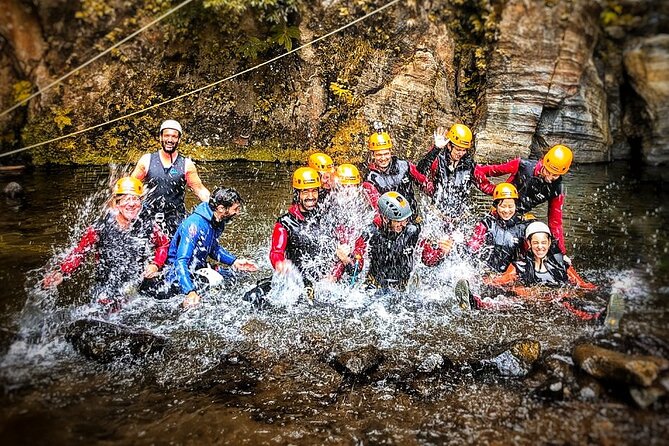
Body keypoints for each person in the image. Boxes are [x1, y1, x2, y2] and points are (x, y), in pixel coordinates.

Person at [457, 221, 623, 329]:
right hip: (527, 301)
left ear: (549, 243)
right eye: (535, 243)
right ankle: (475, 303)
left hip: (557, 300)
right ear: (529, 244)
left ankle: (600, 318)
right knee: (506, 302)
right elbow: (500, 280)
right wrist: (473, 278)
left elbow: (583, 285)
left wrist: (611, 287)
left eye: (543, 242)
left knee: (571, 306)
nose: (540, 247)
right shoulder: (519, 265)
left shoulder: (562, 265)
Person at [42, 177, 170, 308]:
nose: (131, 204)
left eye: (135, 199)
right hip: (106, 289)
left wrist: (155, 264)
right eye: (126, 199)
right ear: (117, 203)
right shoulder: (100, 227)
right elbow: (79, 253)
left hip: (136, 288)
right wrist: (62, 272)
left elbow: (164, 244)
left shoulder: (147, 225)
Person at [163, 186, 258, 308]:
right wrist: (190, 292)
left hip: (197, 268)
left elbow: (212, 247)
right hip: (176, 276)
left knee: (238, 277)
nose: (237, 213)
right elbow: (181, 262)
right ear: (221, 208)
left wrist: (234, 261)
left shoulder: (216, 220)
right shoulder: (194, 225)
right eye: (236, 209)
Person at [474, 144, 573, 254]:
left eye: (555, 175)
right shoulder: (522, 166)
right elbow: (481, 171)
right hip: (499, 212)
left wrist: (561, 253)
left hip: (519, 219)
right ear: (543, 162)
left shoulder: (557, 189)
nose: (549, 178)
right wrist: (496, 192)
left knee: (537, 236)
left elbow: (555, 223)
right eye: (547, 172)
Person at [131, 119, 210, 236]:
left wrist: (215, 204)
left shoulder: (186, 164)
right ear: (160, 137)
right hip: (148, 216)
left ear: (179, 139)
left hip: (175, 217)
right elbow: (131, 187)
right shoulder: (146, 160)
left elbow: (199, 189)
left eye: (174, 136)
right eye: (166, 135)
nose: (170, 140)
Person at [363, 191, 446, 291]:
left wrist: (441, 252)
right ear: (385, 219)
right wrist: (347, 259)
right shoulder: (370, 233)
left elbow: (428, 260)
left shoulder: (412, 232)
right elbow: (356, 265)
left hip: (403, 289)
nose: (403, 224)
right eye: (398, 221)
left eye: (405, 220)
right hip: (375, 288)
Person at [269, 167, 328, 281]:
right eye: (305, 192)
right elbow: (276, 252)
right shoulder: (285, 223)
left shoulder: (325, 218)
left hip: (322, 281)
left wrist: (333, 276)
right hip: (296, 281)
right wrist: (279, 264)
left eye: (314, 191)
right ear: (297, 194)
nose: (311, 197)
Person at [363, 122, 433, 218]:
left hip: (411, 218)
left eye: (386, 154)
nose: (383, 158)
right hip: (390, 224)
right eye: (379, 154)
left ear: (391, 152)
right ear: (372, 155)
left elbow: (424, 182)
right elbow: (376, 208)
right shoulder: (370, 179)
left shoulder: (404, 166)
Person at [418, 123, 484, 221]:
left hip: (459, 218)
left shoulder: (469, 165)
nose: (460, 153)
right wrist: (436, 149)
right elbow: (420, 171)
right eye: (458, 149)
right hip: (438, 215)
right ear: (449, 145)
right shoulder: (438, 161)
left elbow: (484, 183)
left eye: (464, 150)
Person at [467, 183, 533, 272]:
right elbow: (472, 247)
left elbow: (530, 253)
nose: (507, 211)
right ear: (496, 206)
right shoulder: (486, 224)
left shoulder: (522, 226)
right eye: (503, 206)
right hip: (486, 271)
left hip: (510, 273)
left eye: (510, 206)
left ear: (516, 206)